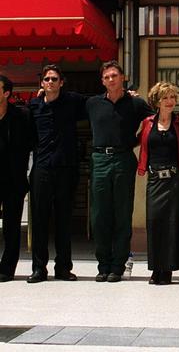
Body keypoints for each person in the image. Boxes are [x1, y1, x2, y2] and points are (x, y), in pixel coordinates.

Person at [86, 60, 154, 283]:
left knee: (122, 213)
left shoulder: (135, 103)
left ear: (122, 77)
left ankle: (117, 266)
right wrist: (41, 94)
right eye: (106, 77)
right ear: (102, 81)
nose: (111, 80)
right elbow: (63, 104)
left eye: (114, 75)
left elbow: (155, 120)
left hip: (123, 159)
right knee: (99, 215)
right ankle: (103, 265)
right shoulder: (93, 103)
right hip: (99, 159)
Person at [27, 64, 87, 283]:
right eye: (47, 79)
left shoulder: (73, 101)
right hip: (42, 168)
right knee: (40, 220)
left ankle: (63, 268)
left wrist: (128, 95)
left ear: (61, 82)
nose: (50, 82)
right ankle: (38, 269)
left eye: (54, 79)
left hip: (66, 168)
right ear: (42, 83)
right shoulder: (33, 106)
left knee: (64, 220)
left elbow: (100, 102)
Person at [137, 82, 179, 285]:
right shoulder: (147, 123)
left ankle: (168, 269)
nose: (170, 101)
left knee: (172, 224)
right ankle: (156, 267)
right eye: (165, 98)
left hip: (174, 180)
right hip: (154, 180)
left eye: (172, 97)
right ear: (157, 101)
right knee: (155, 223)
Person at [0, 75, 34, 282]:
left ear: (6, 93)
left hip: (13, 180)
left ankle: (7, 269)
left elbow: (31, 143)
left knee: (12, 227)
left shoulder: (21, 116)